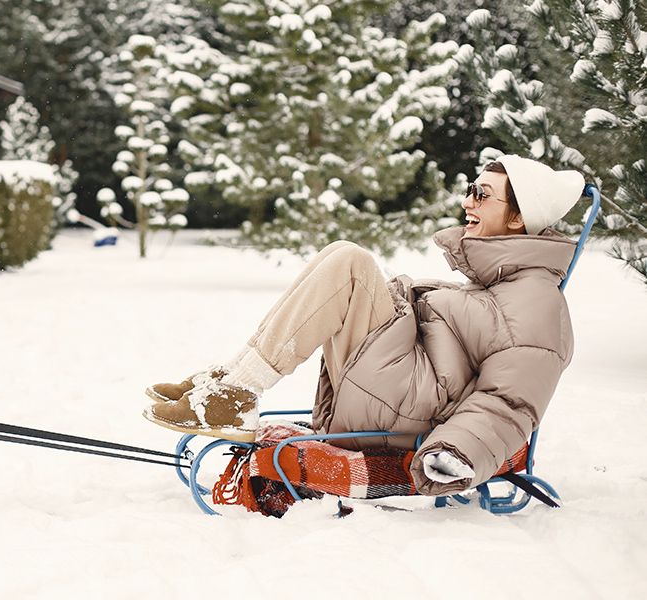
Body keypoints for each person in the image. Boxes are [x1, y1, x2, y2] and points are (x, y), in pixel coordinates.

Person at [144, 155, 584, 496]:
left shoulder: (536, 304)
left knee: (350, 263)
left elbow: (508, 402)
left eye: (482, 194)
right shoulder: (496, 287)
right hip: (395, 391)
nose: (467, 201)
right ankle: (231, 382)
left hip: (408, 413)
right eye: (470, 189)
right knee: (343, 258)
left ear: (517, 219)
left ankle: (237, 393)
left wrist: (456, 452)